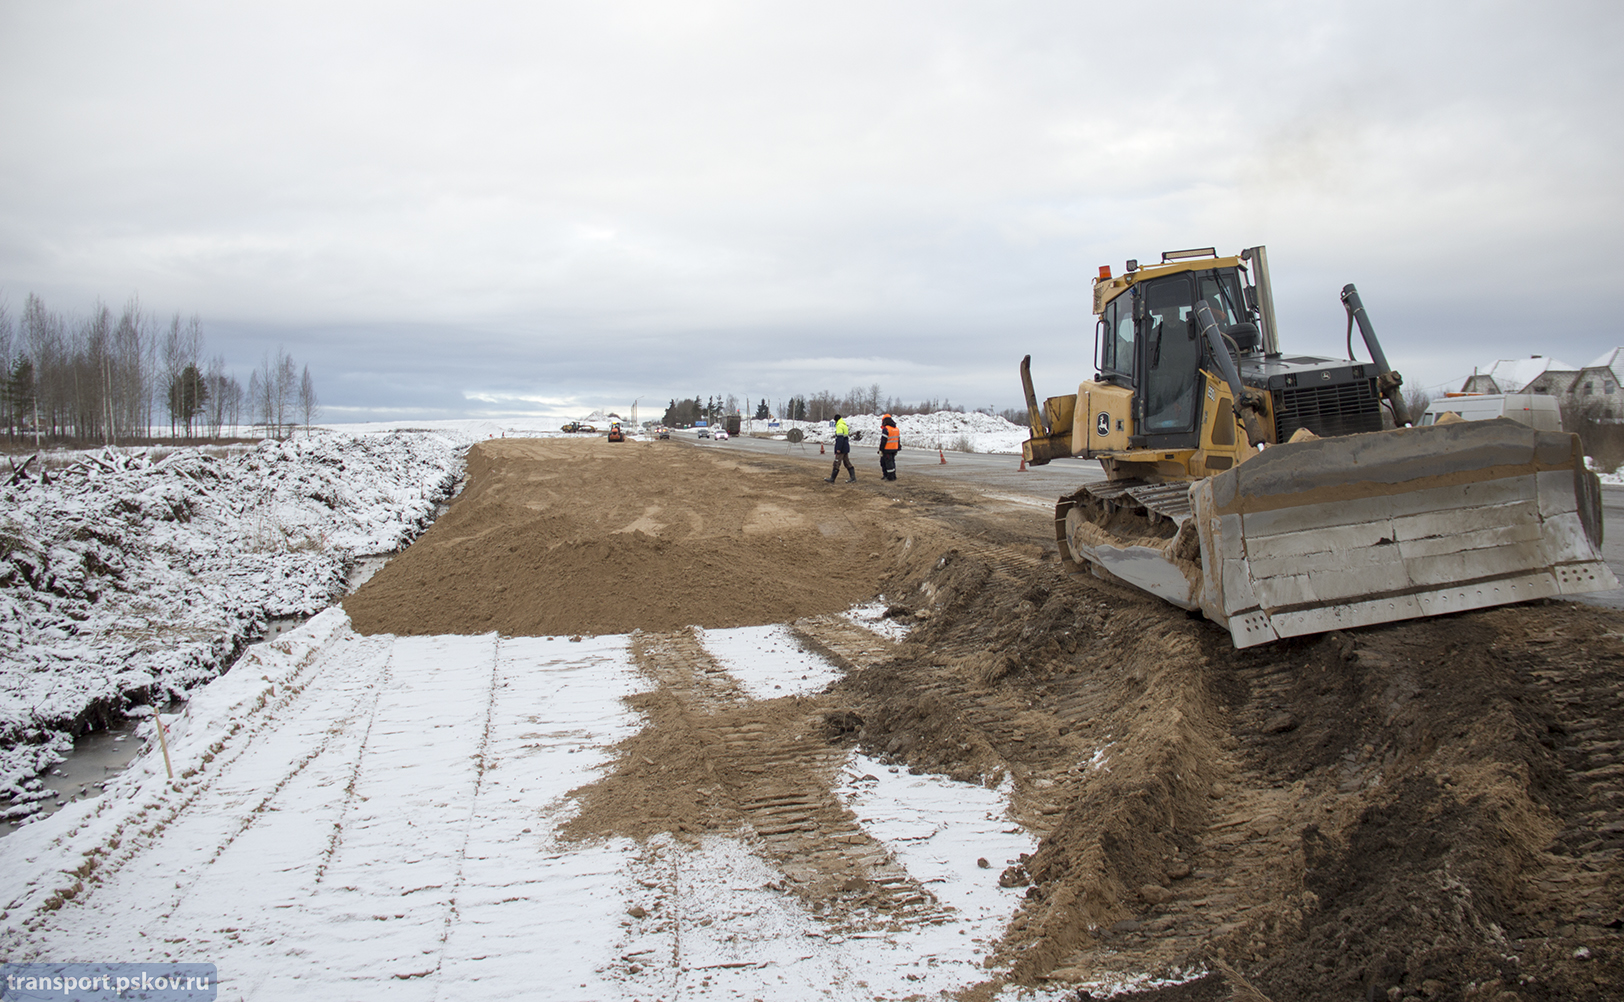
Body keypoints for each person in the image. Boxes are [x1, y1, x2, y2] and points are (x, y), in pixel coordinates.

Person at [824, 414, 856, 483]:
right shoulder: (844, 425)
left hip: (841, 448)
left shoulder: (839, 426)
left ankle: (832, 479)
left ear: (836, 420)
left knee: (836, 463)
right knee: (847, 462)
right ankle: (853, 477)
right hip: (845, 447)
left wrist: (838, 449)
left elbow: (840, 439)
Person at [878, 413, 900, 481]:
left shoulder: (886, 429)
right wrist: (898, 448)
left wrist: (881, 449)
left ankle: (890, 477)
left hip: (887, 449)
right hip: (894, 448)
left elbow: (883, 441)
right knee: (891, 462)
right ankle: (892, 475)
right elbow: (898, 439)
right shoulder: (896, 429)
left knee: (887, 463)